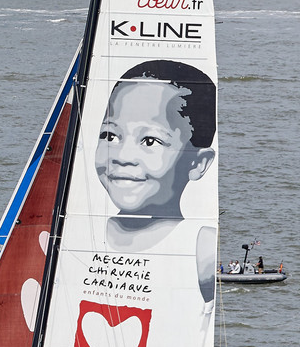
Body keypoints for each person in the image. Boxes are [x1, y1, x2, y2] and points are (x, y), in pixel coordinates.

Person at [93, 59, 218, 302]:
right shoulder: (77, 228)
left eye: (150, 141)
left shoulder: (201, 247)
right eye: (110, 135)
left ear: (198, 163)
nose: (122, 157)